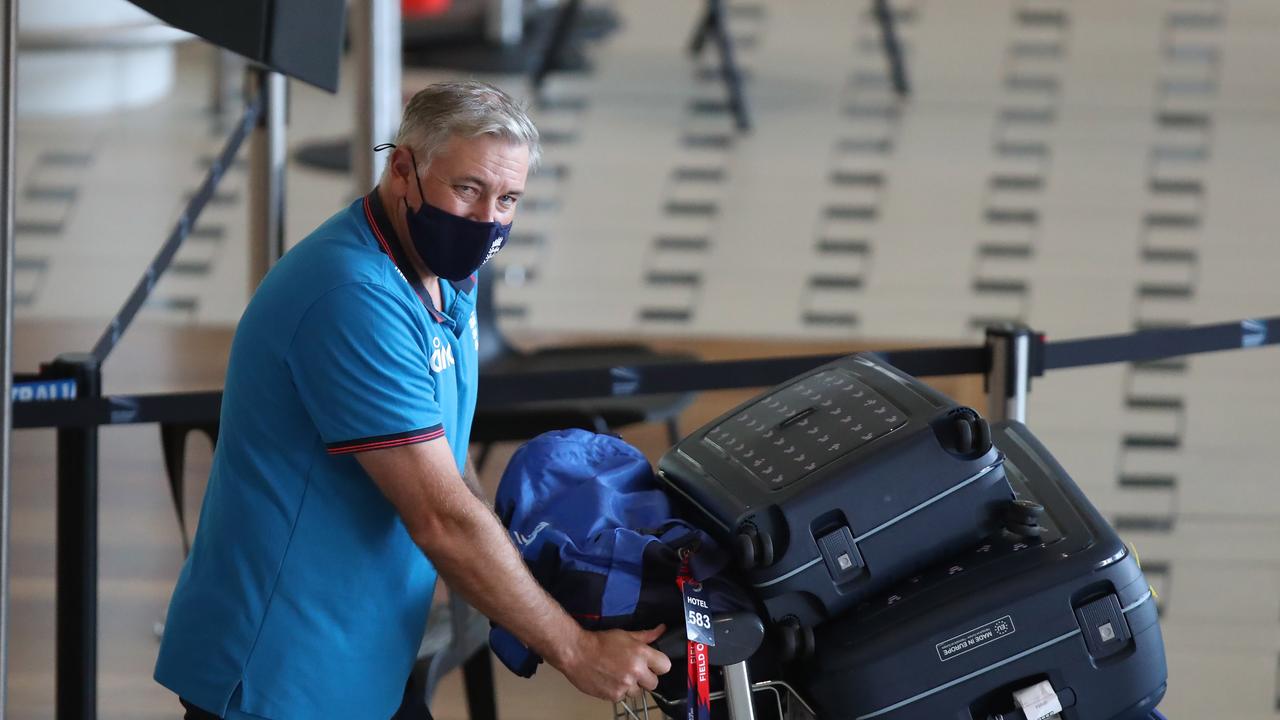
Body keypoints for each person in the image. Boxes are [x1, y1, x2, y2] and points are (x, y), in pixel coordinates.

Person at [154, 80, 671, 720]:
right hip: (280, 672)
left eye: (508, 198)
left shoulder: (445, 272)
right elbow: (439, 517)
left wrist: (536, 592)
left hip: (364, 657)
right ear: (404, 169)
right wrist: (574, 647)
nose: (487, 220)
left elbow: (447, 466)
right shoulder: (352, 298)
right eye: (468, 189)